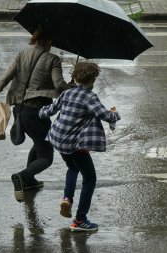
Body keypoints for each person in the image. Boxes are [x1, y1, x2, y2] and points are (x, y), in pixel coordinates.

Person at [0, 27, 71, 202]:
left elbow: (6, 76)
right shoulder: (52, 59)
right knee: (46, 157)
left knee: (39, 142)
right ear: (49, 41)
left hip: (19, 110)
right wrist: (71, 87)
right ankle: (22, 175)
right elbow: (59, 84)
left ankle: (30, 181)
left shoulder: (21, 54)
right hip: (36, 112)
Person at [38, 61, 121, 232]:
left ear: (74, 77)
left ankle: (67, 198)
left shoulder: (67, 93)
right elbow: (103, 114)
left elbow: (51, 110)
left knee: (72, 168)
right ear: (93, 80)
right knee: (90, 179)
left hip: (58, 139)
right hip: (75, 143)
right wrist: (115, 114)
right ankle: (80, 220)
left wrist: (39, 112)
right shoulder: (90, 97)